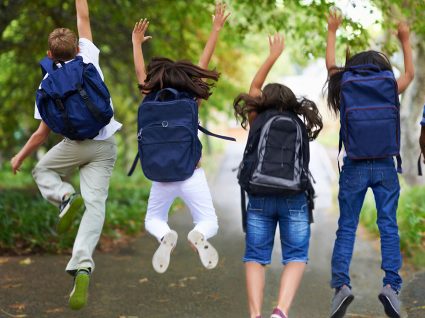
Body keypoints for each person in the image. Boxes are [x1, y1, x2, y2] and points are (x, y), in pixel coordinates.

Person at [10, 0, 121, 310]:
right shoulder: (90, 59)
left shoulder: (47, 83)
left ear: (49, 55)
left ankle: (65, 197)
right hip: (104, 142)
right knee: (96, 206)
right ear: (78, 47)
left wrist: (19, 157)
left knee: (42, 171)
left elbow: (41, 134)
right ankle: (82, 265)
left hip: (72, 145)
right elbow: (82, 15)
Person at [326, 8, 414, 318]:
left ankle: (341, 287)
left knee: (346, 227)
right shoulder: (389, 85)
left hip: (355, 166)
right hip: (386, 165)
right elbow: (410, 75)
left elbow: (329, 67)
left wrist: (332, 31)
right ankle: (391, 286)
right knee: (388, 227)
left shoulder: (345, 85)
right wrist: (404, 39)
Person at [131, 3, 230, 273]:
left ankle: (165, 235)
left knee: (153, 219)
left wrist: (136, 43)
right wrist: (216, 29)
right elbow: (203, 65)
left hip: (161, 176)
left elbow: (141, 76)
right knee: (209, 221)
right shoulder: (190, 101)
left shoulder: (149, 99)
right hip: (191, 173)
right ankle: (198, 235)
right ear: (187, 81)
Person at [234, 33, 323, 318]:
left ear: (265, 101)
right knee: (296, 257)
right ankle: (280, 312)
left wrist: (272, 55)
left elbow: (255, 87)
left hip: (259, 195)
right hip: (294, 197)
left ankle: (255, 315)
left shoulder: (257, 118)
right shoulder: (298, 122)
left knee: (255, 258)